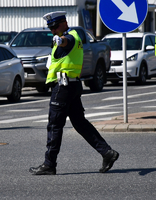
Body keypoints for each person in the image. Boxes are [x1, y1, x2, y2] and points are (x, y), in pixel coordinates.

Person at [29, 11, 119, 175]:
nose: (53, 31)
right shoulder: (67, 37)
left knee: (54, 125)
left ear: (64, 23)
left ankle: (49, 164)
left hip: (63, 88)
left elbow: (66, 41)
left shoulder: (70, 37)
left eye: (55, 27)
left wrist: (60, 40)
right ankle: (107, 152)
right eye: (51, 28)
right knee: (80, 123)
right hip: (72, 86)